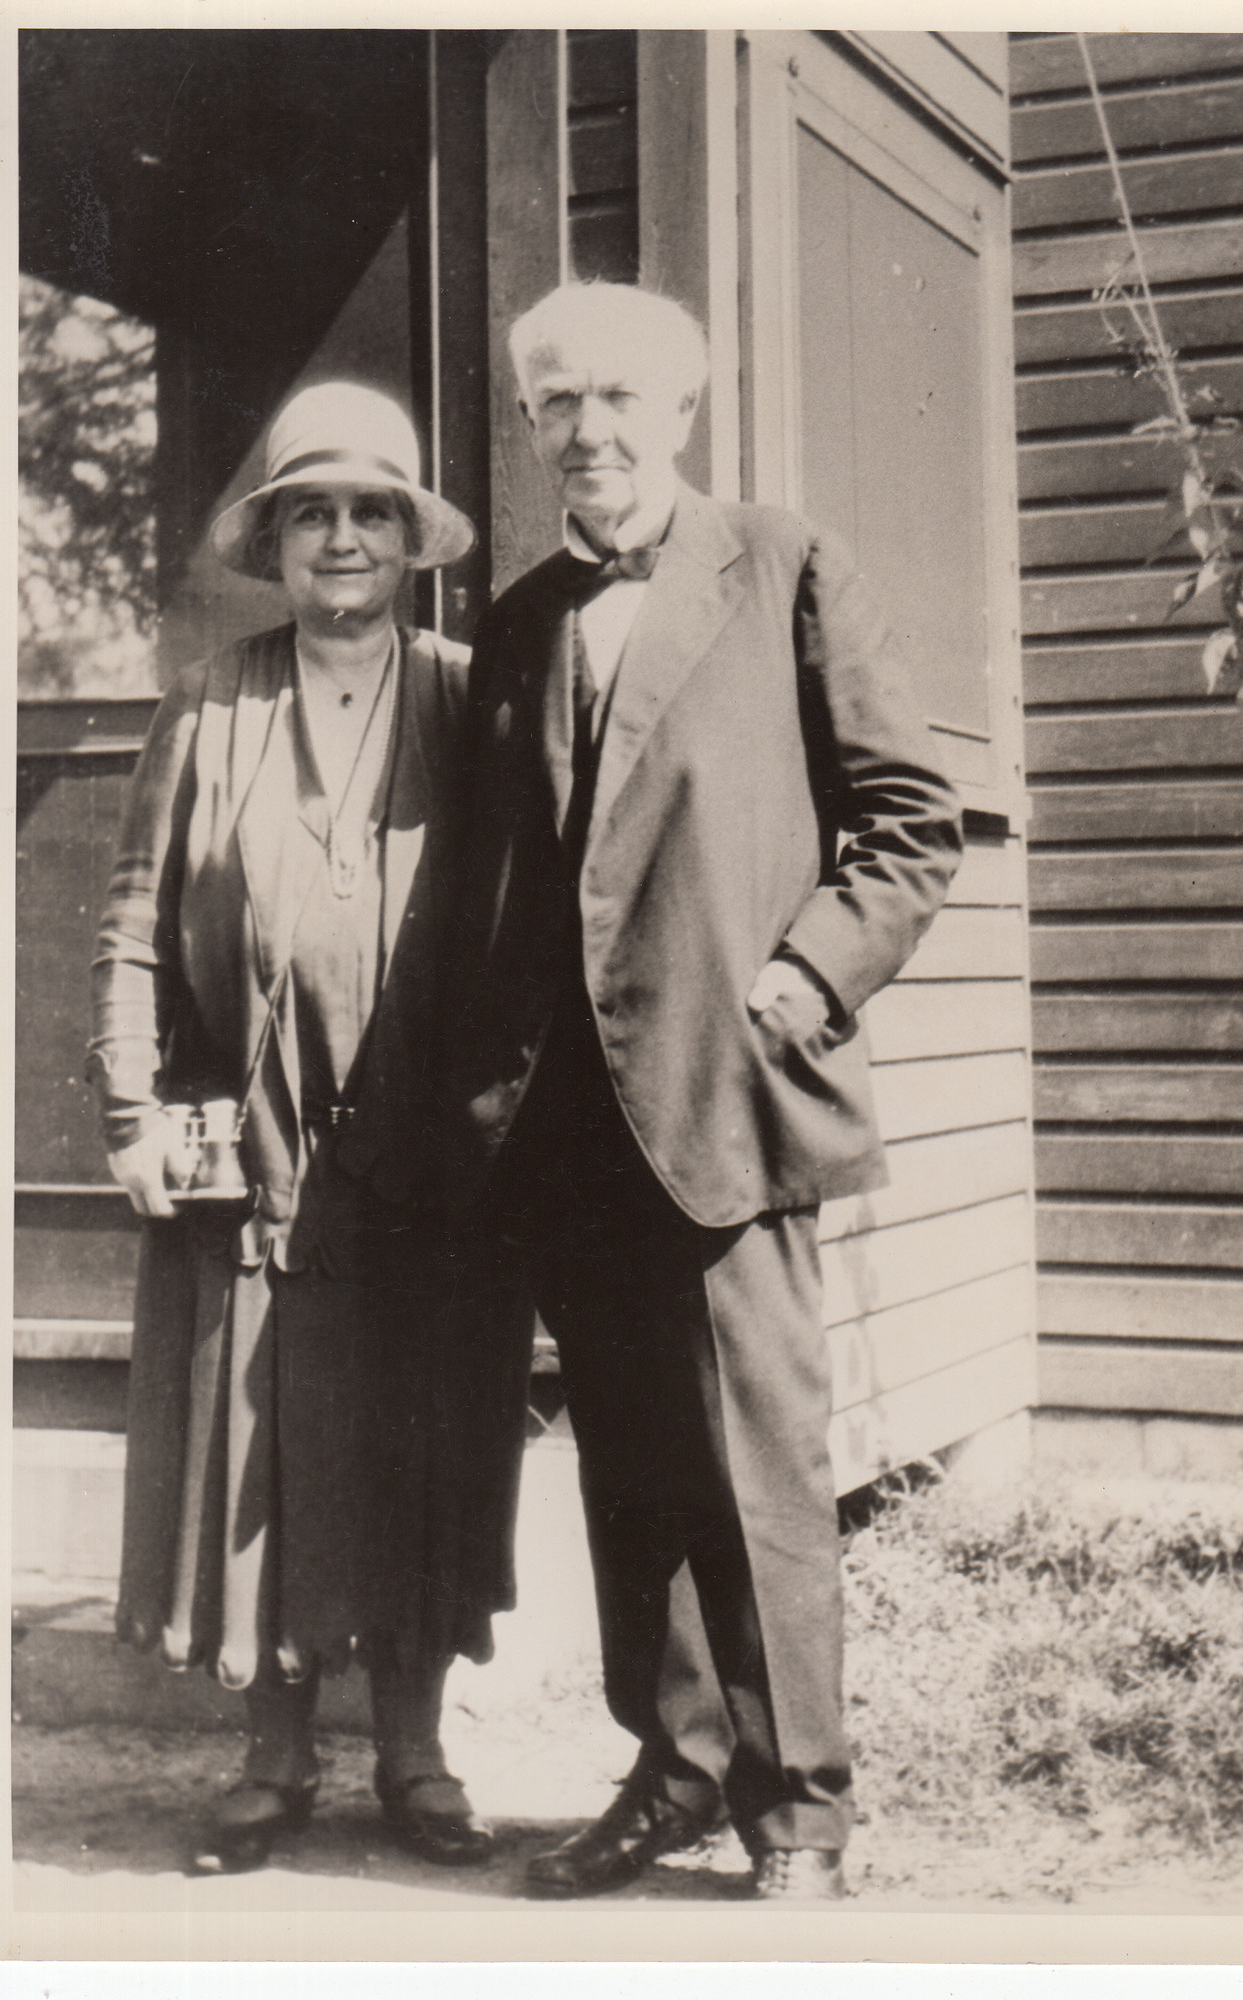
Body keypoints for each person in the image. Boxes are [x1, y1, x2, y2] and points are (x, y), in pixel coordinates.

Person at [430, 283, 963, 1901]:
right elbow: (498, 880)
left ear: (682, 410)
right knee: (632, 1472)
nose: (586, 431)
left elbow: (908, 815)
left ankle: (800, 1816)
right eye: (553, 404)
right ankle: (671, 1770)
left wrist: (808, 977)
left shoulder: (786, 564)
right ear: (528, 426)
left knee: (760, 1475)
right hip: (570, 1128)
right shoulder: (519, 620)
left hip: (726, 1093)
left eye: (615, 400)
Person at [88, 382, 532, 1875]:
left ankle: (416, 1755)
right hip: (255, 1144)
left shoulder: (475, 699)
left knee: (425, 1433)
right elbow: (133, 925)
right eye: (311, 513)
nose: (341, 539)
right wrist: (129, 1106)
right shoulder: (210, 702)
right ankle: (271, 1758)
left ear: (411, 541)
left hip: (427, 1152)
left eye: (369, 513)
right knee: (259, 1449)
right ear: (272, 541)